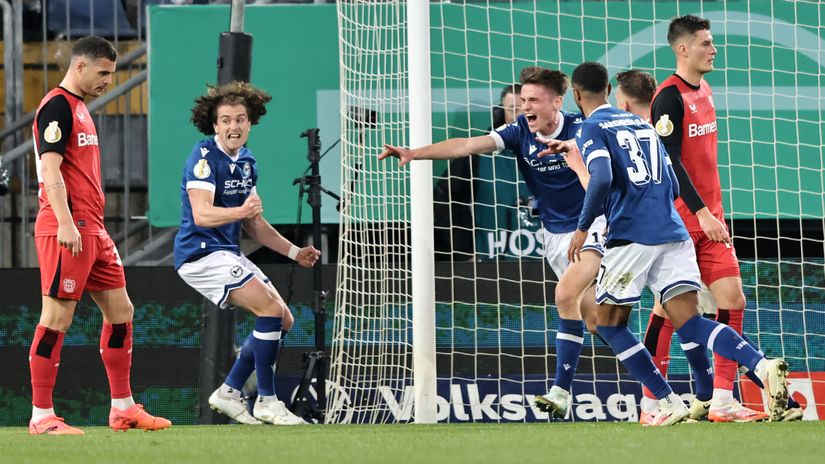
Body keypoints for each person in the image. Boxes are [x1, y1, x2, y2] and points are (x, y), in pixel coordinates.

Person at [561, 60, 789, 426]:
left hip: (632, 237)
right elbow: (670, 179)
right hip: (673, 231)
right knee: (690, 320)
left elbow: (601, 178)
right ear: (607, 90)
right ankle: (761, 366)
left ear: (576, 94)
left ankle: (665, 401)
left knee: (608, 325)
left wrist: (583, 226)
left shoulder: (592, 127)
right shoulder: (642, 124)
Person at [380, 66, 606, 420]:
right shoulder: (518, 132)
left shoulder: (583, 129)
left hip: (592, 226)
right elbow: (468, 145)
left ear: (557, 102)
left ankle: (561, 392)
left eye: (532, 100)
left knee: (564, 296)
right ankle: (656, 376)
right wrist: (415, 153)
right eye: (521, 101)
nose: (524, 107)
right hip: (554, 234)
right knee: (599, 322)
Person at [650, 15, 801, 422]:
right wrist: (700, 211)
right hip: (681, 226)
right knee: (669, 313)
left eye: (712, 42)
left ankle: (722, 400)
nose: (714, 49)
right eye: (705, 43)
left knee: (732, 301)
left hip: (712, 220)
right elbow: (669, 162)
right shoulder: (668, 98)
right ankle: (653, 402)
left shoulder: (707, 90)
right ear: (683, 49)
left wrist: (712, 212)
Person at [28, 36, 171, 435]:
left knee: (122, 313)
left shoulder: (80, 109)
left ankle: (123, 409)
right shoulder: (57, 106)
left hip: (93, 230)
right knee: (56, 317)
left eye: (112, 72)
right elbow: (49, 171)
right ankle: (42, 417)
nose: (109, 80)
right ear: (80, 67)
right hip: (66, 228)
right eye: (104, 72)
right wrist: (66, 223)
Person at [174, 81, 320, 425]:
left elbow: (254, 224)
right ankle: (267, 401)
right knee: (269, 308)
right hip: (200, 254)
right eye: (225, 120)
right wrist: (240, 213)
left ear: (250, 123)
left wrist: (294, 252)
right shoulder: (204, 158)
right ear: (215, 125)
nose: (233, 127)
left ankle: (228, 391)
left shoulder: (247, 161)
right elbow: (201, 214)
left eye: (239, 119)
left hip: (225, 251)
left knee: (282, 319)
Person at [433, 84, 524, 261]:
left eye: (526, 109)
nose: (520, 115)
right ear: (500, 113)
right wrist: (464, 249)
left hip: (549, 256)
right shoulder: (480, 155)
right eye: (513, 109)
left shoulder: (555, 151)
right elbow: (444, 198)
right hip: (494, 260)